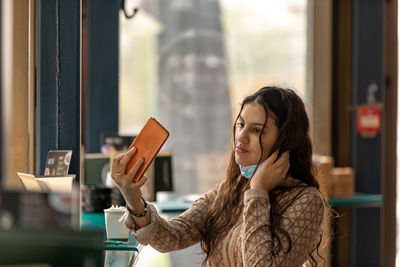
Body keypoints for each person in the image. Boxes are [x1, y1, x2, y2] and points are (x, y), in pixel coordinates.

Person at [112, 86, 327, 266]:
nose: (241, 137)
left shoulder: (306, 201)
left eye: (256, 130)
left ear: (286, 141)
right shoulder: (229, 190)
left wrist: (258, 192)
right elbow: (171, 237)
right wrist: (132, 196)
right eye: (241, 125)